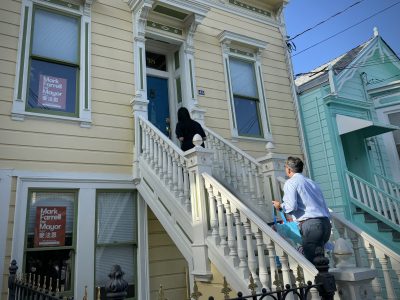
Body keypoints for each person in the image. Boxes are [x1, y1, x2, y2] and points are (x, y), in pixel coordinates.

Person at [272, 156, 331, 264]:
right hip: (326, 224)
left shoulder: (291, 182)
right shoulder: (313, 183)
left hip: (311, 226)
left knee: (312, 264)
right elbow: (323, 204)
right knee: (320, 261)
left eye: (285, 167)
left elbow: (291, 207)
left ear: (289, 169)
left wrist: (280, 206)